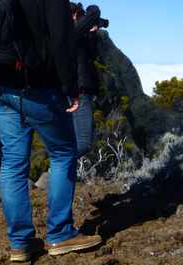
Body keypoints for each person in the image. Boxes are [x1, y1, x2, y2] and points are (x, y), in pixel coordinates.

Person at [0, 0, 101, 262]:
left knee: (13, 163)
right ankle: (60, 234)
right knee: (63, 153)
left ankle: (20, 244)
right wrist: (70, 87)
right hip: (36, 87)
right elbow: (62, 39)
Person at [70, 2, 104, 158]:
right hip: (79, 93)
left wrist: (90, 34)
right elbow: (94, 12)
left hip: (73, 91)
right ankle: (52, 173)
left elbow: (88, 55)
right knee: (83, 144)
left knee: (70, 140)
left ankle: (54, 176)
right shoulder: (70, 30)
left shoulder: (70, 33)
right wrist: (91, 13)